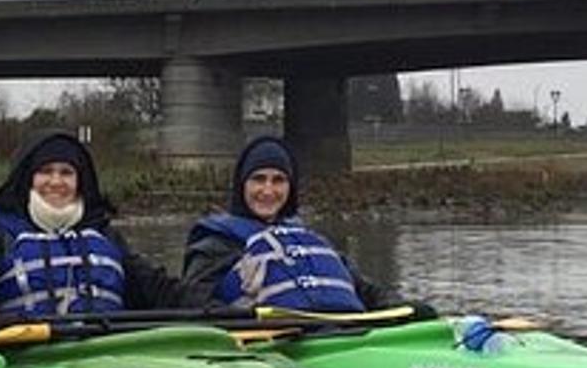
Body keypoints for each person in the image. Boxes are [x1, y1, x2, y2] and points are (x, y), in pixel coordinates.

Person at [0, 130, 187, 332]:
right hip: (25, 358)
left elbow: (156, 287)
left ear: (79, 181)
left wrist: (205, 303)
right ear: (28, 179)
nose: (56, 182)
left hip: (107, 354)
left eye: (66, 173)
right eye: (45, 172)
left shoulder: (104, 234)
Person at [182, 135, 425, 314]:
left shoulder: (304, 238)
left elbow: (365, 289)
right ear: (242, 185)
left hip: (335, 335)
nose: (268, 191)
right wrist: (238, 315)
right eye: (258, 179)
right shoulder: (215, 246)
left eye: (279, 181)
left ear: (291, 187)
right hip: (266, 347)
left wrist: (403, 307)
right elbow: (192, 302)